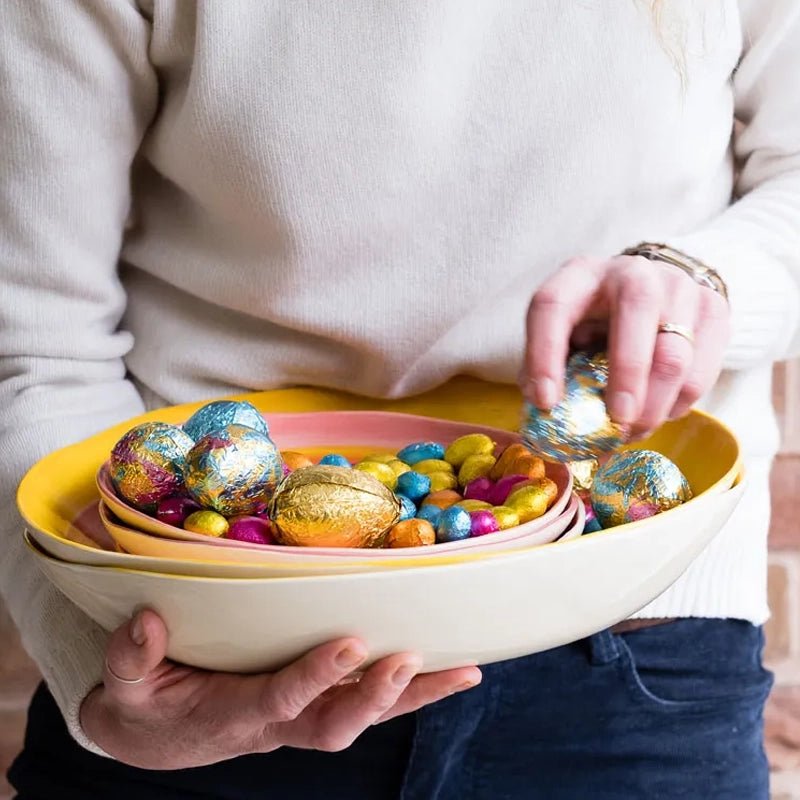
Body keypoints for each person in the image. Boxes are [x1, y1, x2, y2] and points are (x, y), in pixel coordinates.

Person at [2, 1, 799, 798]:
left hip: (634, 638)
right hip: (201, 649)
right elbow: (34, 340)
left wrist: (704, 283)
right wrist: (100, 671)